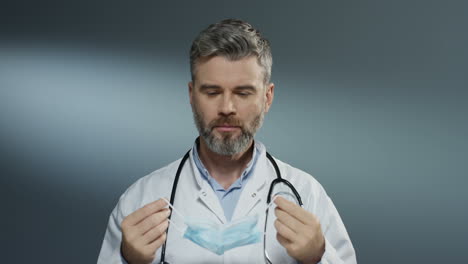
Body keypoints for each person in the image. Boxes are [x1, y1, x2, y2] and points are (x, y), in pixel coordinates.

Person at [97, 18, 356, 264]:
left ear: (267, 97)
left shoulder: (305, 195)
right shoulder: (143, 199)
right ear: (191, 95)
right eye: (212, 92)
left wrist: (319, 256)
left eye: (243, 93)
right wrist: (125, 259)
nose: (227, 107)